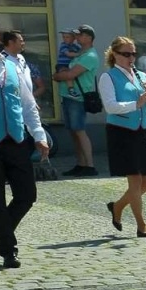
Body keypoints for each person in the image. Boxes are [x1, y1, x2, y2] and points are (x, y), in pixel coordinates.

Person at [0, 16, 49, 270]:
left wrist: (38, 134)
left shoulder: (12, 66)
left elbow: (27, 104)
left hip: (15, 138)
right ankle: (8, 250)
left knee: (27, 194)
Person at [98, 36, 146, 239]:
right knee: (135, 180)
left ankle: (117, 207)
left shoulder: (142, 76)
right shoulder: (108, 77)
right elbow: (110, 106)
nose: (131, 58)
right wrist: (137, 104)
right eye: (126, 54)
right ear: (114, 55)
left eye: (133, 53)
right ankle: (142, 226)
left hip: (142, 130)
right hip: (121, 132)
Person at [54, 24, 99, 176]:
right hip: (68, 96)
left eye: (80, 35)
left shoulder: (90, 56)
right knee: (74, 132)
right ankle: (80, 164)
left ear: (88, 37)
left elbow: (70, 75)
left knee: (79, 131)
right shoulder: (78, 53)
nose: (77, 38)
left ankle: (90, 165)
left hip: (77, 98)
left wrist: (57, 76)